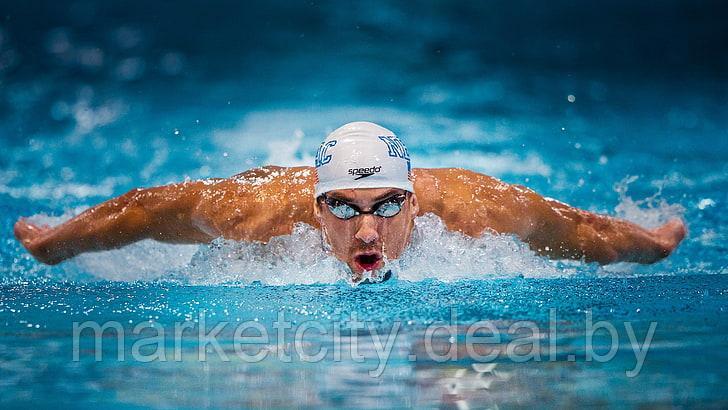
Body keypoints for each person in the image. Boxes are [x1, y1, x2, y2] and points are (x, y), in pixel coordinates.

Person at [14, 121, 686, 283]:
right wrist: (58, 244)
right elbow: (142, 209)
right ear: (313, 209)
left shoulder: (476, 209)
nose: (367, 228)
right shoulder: (254, 213)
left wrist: (649, 246)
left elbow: (577, 229)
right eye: (341, 207)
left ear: (416, 204)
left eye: (389, 205)